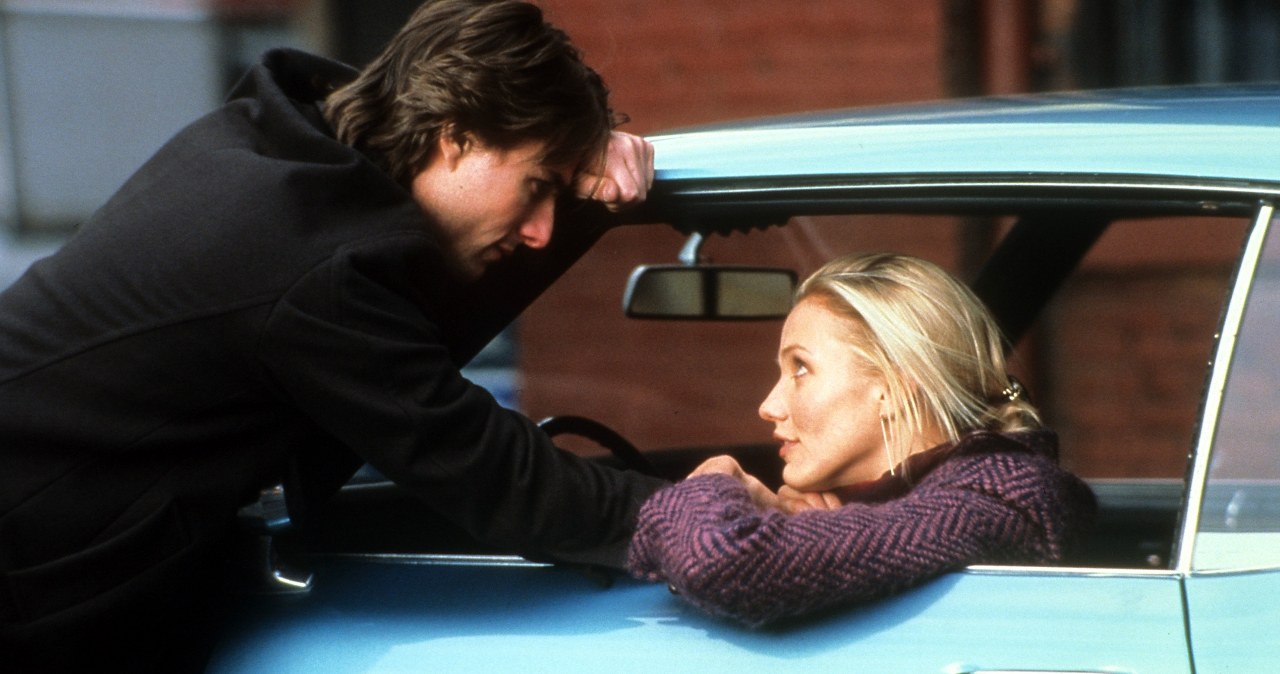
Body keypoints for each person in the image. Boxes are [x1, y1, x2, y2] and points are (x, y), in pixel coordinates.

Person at [0, 0, 665, 669]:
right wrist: (693, 520)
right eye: (538, 187)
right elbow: (488, 473)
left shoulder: (271, 153)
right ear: (456, 133)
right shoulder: (304, 257)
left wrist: (574, 172)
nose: (542, 231)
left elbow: (412, 301)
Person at [627, 252, 1096, 627]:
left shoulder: (1005, 494)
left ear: (893, 387)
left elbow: (726, 565)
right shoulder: (939, 496)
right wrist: (815, 532)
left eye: (801, 369)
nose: (769, 406)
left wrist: (710, 487)